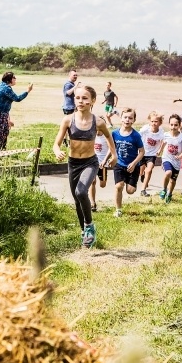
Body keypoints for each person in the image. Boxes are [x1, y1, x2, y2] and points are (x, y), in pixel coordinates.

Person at [53, 85, 115, 249]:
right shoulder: (68, 120)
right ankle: (85, 233)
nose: (81, 101)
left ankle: (89, 226)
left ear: (92, 101)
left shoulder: (98, 122)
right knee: (77, 199)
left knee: (81, 192)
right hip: (73, 164)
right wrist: (57, 151)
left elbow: (109, 138)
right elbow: (56, 143)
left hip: (90, 163)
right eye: (78, 98)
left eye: (85, 98)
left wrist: (113, 155)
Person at [111, 108, 145, 218]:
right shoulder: (115, 133)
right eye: (125, 117)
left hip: (133, 166)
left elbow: (142, 152)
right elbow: (112, 148)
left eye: (130, 118)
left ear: (134, 120)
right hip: (119, 164)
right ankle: (118, 210)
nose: (127, 120)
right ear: (121, 118)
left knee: (130, 191)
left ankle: (131, 180)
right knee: (118, 186)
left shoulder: (136, 135)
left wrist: (134, 163)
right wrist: (108, 158)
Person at [0, 71, 32, 152]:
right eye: (14, 77)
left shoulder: (0, 85)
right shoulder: (6, 88)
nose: (15, 79)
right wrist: (27, 91)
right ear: (10, 79)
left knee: (4, 132)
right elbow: (17, 98)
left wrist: (7, 119)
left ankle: (2, 152)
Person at [158, 114, 182, 204]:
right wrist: (160, 150)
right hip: (166, 158)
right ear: (169, 125)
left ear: (179, 125)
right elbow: (163, 143)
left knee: (173, 180)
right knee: (168, 172)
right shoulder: (166, 135)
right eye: (171, 125)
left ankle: (169, 193)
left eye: (176, 125)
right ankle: (164, 189)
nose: (173, 127)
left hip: (177, 162)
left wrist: (180, 156)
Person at [138, 111, 164, 196]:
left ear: (160, 122)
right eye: (152, 121)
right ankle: (142, 175)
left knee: (148, 170)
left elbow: (163, 141)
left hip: (152, 155)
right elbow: (137, 136)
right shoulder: (146, 129)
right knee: (141, 169)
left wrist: (160, 150)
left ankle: (143, 190)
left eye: (156, 121)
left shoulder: (161, 132)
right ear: (149, 121)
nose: (154, 123)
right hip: (142, 152)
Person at [90, 131, 111, 213]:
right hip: (92, 162)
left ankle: (102, 179)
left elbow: (111, 148)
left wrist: (106, 160)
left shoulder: (106, 137)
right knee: (92, 182)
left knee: (103, 184)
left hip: (102, 164)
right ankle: (93, 203)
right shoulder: (91, 135)